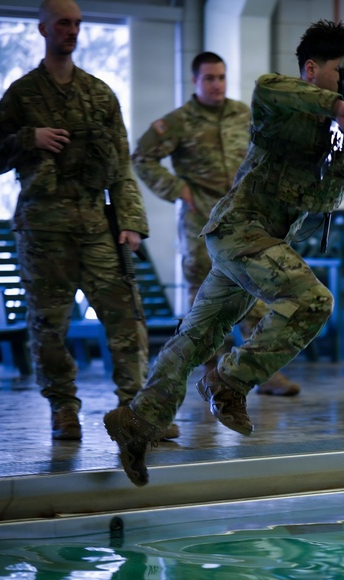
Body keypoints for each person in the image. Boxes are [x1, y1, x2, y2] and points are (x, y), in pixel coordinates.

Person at [104, 19, 344, 486]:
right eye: (343, 70)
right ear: (312, 69)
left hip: (263, 238)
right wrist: (339, 107)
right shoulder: (278, 99)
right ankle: (227, 381)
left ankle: (137, 421)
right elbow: (270, 88)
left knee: (199, 335)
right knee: (313, 301)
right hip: (240, 230)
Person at [0, 0, 177, 441]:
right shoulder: (22, 94)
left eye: (77, 24)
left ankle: (135, 409)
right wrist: (28, 138)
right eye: (63, 24)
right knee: (49, 326)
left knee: (127, 316)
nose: (72, 31)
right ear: (43, 29)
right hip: (43, 229)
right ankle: (63, 408)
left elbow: (121, 166)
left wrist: (130, 221)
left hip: (95, 225)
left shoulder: (99, 94)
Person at [132, 51, 300, 397]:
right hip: (201, 218)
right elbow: (143, 157)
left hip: (244, 215)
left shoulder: (244, 115)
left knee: (255, 285)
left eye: (221, 77)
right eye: (209, 78)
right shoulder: (179, 121)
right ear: (195, 81)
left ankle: (261, 370)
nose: (216, 85)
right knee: (204, 295)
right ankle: (211, 370)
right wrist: (177, 189)